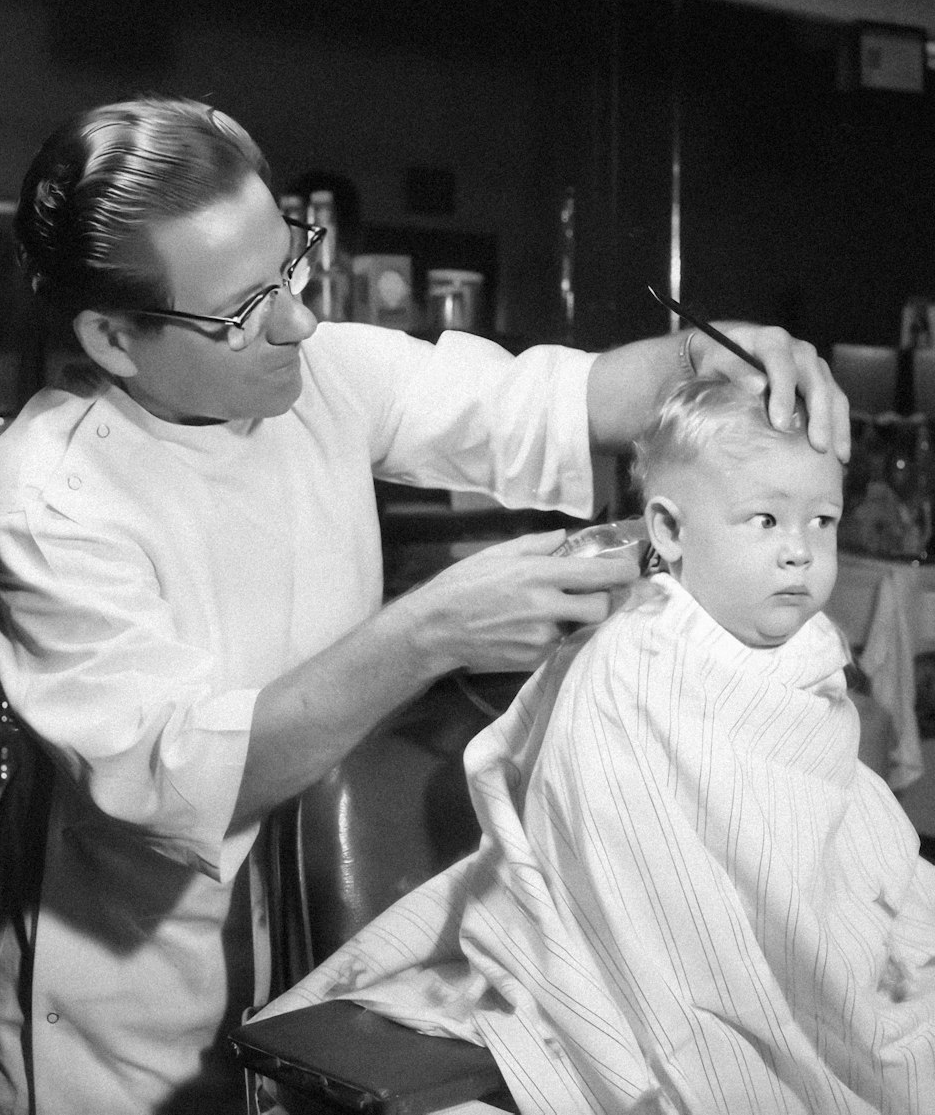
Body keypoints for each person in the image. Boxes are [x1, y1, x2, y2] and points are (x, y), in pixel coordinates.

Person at [0, 96, 848, 1115]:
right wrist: (431, 629)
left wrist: (716, 356)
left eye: (290, 266)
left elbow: (560, 399)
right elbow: (179, 782)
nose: (297, 317)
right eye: (243, 310)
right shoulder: (47, 503)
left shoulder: (320, 371)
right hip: (125, 1034)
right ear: (115, 338)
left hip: (324, 958)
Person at [259, 375, 935, 1114]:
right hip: (678, 960)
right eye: (766, 519)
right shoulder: (630, 669)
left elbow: (829, 828)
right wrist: (786, 955)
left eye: (822, 521)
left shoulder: (811, 651)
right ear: (671, 531)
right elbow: (643, 877)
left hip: (815, 935)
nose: (800, 553)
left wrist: (835, 934)